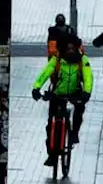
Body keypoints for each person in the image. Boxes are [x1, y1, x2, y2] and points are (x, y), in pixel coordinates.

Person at [31, 37, 93, 165]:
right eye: (67, 48)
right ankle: (51, 155)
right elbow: (45, 73)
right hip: (57, 93)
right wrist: (37, 87)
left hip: (75, 92)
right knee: (50, 126)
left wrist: (86, 92)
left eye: (72, 48)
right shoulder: (57, 60)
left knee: (79, 110)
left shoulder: (83, 60)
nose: (70, 50)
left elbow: (88, 77)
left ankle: (75, 132)